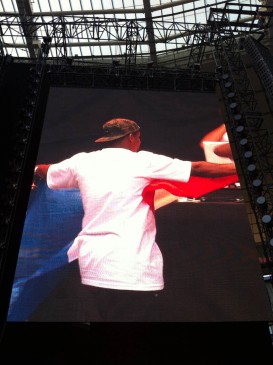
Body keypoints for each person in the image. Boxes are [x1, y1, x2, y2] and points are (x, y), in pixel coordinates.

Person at [34, 117, 237, 321]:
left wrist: (33, 172)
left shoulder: (81, 161)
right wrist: (240, 169)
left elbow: (45, 170)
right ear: (132, 137)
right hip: (133, 270)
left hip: (91, 266)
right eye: (138, 137)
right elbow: (200, 169)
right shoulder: (143, 161)